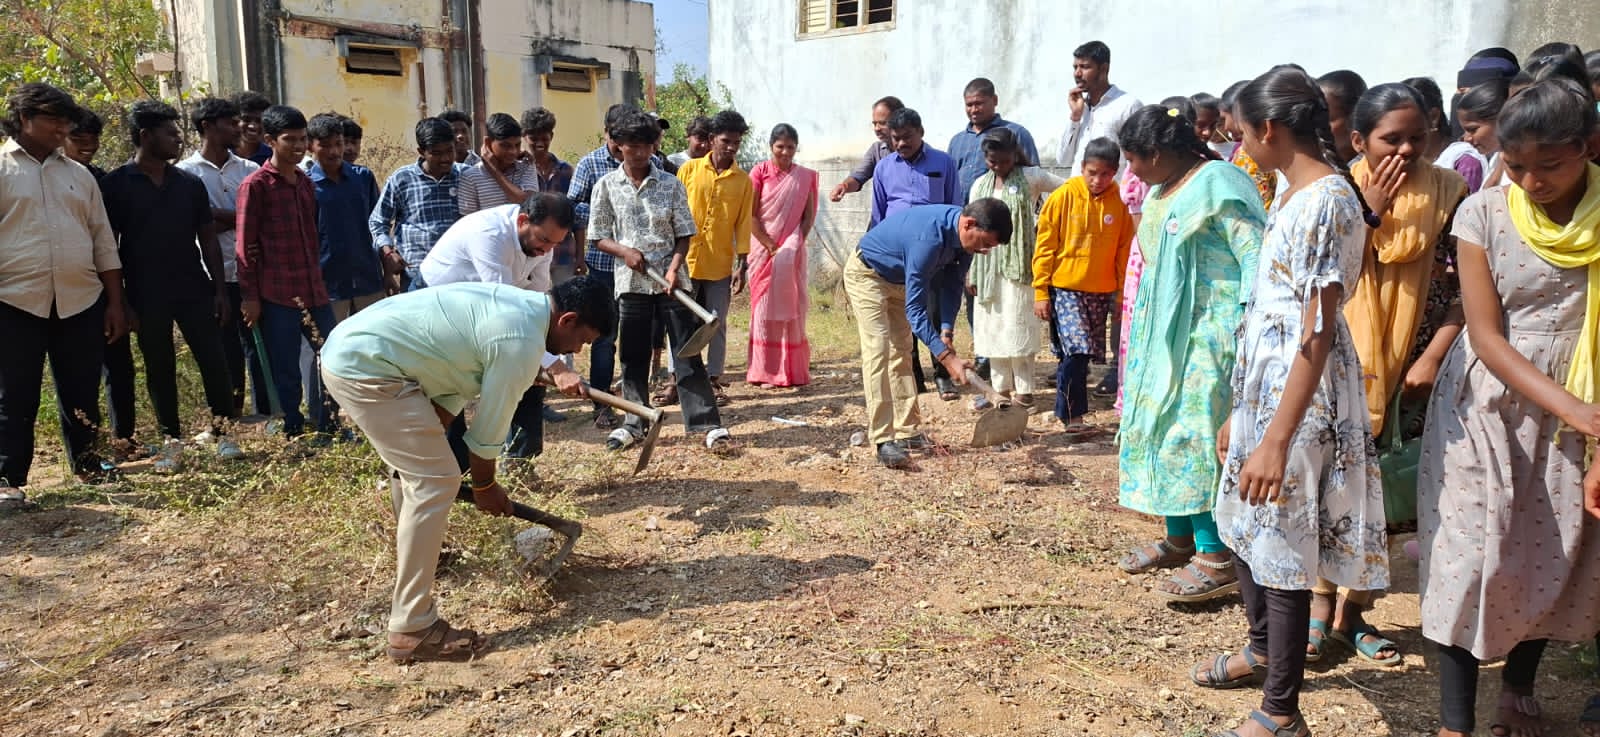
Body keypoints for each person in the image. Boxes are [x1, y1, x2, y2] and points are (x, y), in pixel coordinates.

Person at [1193, 65, 1388, 737]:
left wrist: (1277, 436)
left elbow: (1315, 330)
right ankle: (1260, 650)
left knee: (1282, 546)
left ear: (1270, 129)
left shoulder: (1327, 200)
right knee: (1246, 524)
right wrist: (1240, 411)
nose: (1240, 145)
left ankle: (1281, 710)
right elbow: (1269, 311)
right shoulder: (1287, 188)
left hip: (1300, 401)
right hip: (1264, 391)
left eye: (1242, 133)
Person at [1417, 79, 1600, 737]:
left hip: (1581, 398)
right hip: (1485, 403)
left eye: (1550, 164)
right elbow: (1488, 337)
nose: (1531, 180)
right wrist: (1579, 412)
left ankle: (1518, 686)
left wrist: (1587, 419)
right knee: (1468, 554)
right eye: (1516, 164)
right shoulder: (1482, 214)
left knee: (1551, 547)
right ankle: (1454, 723)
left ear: (1588, 147)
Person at [319, 277, 609, 663]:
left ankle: (425, 557)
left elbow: (454, 376)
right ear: (567, 320)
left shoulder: (520, 308)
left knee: (422, 470)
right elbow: (487, 436)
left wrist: (432, 438)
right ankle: (412, 629)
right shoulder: (521, 344)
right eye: (582, 341)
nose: (577, 351)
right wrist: (486, 485)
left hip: (360, 351)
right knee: (436, 479)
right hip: (367, 366)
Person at [1115, 104, 1265, 603]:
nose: (1131, 170)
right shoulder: (1160, 189)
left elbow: (1254, 256)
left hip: (1210, 334)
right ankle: (1179, 536)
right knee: (1159, 424)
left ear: (1157, 153)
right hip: (1163, 332)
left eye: (1134, 159)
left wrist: (1247, 329)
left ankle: (1215, 552)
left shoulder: (1219, 183)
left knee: (1195, 434)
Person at [1, 84, 128, 506]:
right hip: (14, 301)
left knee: (81, 388)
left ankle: (88, 464)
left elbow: (102, 240)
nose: (63, 129)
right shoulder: (2, 169)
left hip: (80, 299)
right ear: (25, 119)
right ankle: (7, 479)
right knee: (14, 393)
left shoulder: (79, 175)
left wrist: (114, 302)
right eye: (53, 119)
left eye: (66, 120)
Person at [99, 100, 241, 468]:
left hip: (193, 286)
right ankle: (171, 441)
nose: (178, 139)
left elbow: (208, 238)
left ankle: (224, 433)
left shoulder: (188, 183)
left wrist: (219, 291)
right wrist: (121, 301)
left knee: (214, 359)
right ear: (145, 135)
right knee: (158, 367)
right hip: (145, 292)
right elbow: (108, 246)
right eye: (170, 133)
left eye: (178, 132)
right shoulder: (116, 185)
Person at [588, 110, 734, 452]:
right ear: (619, 146)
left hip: (672, 284)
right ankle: (634, 422)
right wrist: (624, 251)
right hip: (631, 284)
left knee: (686, 353)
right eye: (632, 146)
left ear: (654, 146)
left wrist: (673, 268)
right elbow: (597, 236)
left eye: (646, 146)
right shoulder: (606, 186)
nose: (640, 153)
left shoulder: (671, 183)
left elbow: (684, 234)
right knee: (633, 355)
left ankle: (706, 424)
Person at [846, 200, 1009, 468]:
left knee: (901, 351)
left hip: (899, 281)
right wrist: (947, 358)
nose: (985, 251)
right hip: (868, 276)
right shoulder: (927, 240)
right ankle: (883, 439)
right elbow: (916, 312)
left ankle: (907, 432)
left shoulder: (965, 240)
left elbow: (953, 286)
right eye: (985, 243)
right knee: (879, 350)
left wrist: (946, 331)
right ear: (969, 224)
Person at [236, 105, 338, 440]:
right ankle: (293, 429)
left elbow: (313, 235)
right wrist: (250, 297)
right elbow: (244, 247)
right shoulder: (256, 185)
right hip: (276, 292)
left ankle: (328, 424)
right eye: (289, 139)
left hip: (314, 290)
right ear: (270, 140)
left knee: (332, 356)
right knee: (286, 366)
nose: (298, 146)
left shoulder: (305, 184)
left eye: (302, 139)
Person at [178, 98, 269, 421]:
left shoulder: (250, 171)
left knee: (259, 347)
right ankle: (231, 416)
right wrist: (239, 218)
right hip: (211, 276)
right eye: (230, 123)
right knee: (223, 350)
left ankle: (265, 415)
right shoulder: (184, 174)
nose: (238, 128)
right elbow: (191, 224)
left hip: (252, 273)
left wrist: (215, 217)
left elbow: (262, 219)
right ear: (206, 126)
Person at [965, 128, 1065, 410]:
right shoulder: (979, 185)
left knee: (1019, 326)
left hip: (1020, 268)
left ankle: (1025, 392)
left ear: (1014, 155)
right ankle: (1000, 391)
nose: (999, 167)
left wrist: (1045, 223)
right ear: (985, 158)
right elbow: (971, 228)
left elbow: (1069, 189)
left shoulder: (1032, 177)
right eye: (993, 161)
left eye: (1005, 161)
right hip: (987, 267)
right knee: (993, 327)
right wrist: (971, 270)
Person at [1032, 136, 1127, 428]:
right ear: (1082, 167)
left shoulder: (1120, 201)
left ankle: (1067, 411)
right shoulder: (1063, 196)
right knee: (1077, 349)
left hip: (1101, 291)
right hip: (1066, 288)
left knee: (1081, 356)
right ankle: (1072, 416)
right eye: (1092, 173)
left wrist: (1121, 294)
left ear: (1115, 172)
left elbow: (1123, 250)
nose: (1098, 180)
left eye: (1106, 174)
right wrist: (1041, 291)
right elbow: (1045, 246)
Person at [63, 108, 138, 459]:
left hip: (105, 288)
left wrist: (118, 298)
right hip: (67, 291)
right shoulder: (49, 181)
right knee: (80, 375)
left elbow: (113, 241)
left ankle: (124, 440)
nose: (88, 146)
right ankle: (85, 452)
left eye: (93, 140)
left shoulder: (103, 181)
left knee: (119, 367)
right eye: (79, 139)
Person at [568, 103, 638, 430]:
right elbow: (572, 206)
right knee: (604, 337)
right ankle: (602, 404)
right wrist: (604, 216)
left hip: (637, 268)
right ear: (607, 133)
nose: (625, 147)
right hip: (603, 266)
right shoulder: (590, 164)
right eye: (618, 138)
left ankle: (635, 401)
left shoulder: (647, 163)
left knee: (634, 336)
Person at [678, 110, 754, 403]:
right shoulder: (689, 170)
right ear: (711, 139)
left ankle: (713, 378)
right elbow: (675, 214)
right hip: (685, 261)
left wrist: (742, 265)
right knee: (682, 322)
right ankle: (677, 378)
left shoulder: (743, 181)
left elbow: (743, 224)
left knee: (716, 322)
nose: (731, 147)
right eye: (726, 141)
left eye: (736, 142)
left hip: (720, 264)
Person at [747, 124, 818, 388]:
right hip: (762, 250)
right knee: (763, 309)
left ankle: (790, 371)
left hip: (791, 251)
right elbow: (751, 214)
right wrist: (769, 244)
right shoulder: (759, 172)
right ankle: (763, 371)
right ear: (771, 146)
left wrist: (793, 243)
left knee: (792, 307)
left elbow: (808, 216)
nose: (785, 152)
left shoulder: (805, 177)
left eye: (790, 147)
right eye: (780, 146)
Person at [369, 118, 465, 293]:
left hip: (459, 274)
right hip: (416, 276)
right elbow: (377, 222)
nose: (445, 158)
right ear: (421, 152)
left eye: (449, 151)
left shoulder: (466, 176)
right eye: (437, 153)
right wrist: (388, 252)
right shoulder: (402, 179)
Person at [306, 113, 384, 318]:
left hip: (368, 279)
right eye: (325, 145)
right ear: (310, 146)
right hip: (328, 284)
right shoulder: (305, 185)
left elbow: (378, 225)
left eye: (338, 144)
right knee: (332, 337)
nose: (334, 151)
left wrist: (387, 270)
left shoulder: (363, 178)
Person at [948, 77, 1041, 203]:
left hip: (1001, 210)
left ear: (995, 100)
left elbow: (1034, 177)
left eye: (979, 103)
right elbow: (949, 179)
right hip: (961, 211)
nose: (974, 110)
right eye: (969, 105)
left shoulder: (1016, 133)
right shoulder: (957, 141)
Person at [1057, 41, 1143, 174]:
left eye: (1085, 67)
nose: (1077, 74)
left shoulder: (1127, 105)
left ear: (1104, 69)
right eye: (1075, 67)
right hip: (1078, 187)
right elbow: (1063, 161)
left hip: (1113, 187)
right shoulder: (1077, 106)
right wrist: (1075, 117)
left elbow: (1139, 159)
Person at [523, 108, 577, 286]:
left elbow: (575, 217)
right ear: (524, 137)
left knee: (564, 299)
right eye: (534, 138)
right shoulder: (519, 171)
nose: (540, 143)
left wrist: (580, 256)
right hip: (531, 255)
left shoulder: (566, 171)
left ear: (551, 136)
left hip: (563, 255)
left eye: (544, 138)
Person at [829, 96, 904, 203]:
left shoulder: (920, 151)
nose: (877, 128)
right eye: (874, 123)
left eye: (882, 123)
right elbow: (858, 177)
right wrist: (844, 186)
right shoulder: (877, 150)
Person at [1316, 70, 1367, 164]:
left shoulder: (1373, 167)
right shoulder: (1322, 166)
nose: (1314, 129)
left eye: (1323, 121)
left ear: (1355, 119)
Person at [232, 91, 274, 165]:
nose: (253, 126)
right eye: (246, 120)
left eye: (259, 121)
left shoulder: (273, 157)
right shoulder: (223, 154)